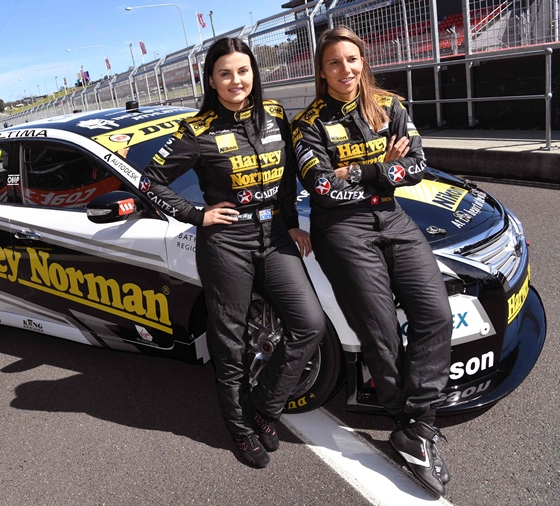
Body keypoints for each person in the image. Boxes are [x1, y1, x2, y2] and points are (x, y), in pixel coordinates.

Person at [141, 37, 326, 468]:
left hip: (276, 235)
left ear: (254, 74)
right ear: (211, 80)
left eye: (243, 71)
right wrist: (196, 214)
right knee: (230, 342)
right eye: (225, 73)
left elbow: (284, 182)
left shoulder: (276, 114)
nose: (236, 80)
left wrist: (293, 224)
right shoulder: (198, 129)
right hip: (227, 243)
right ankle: (239, 428)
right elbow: (151, 181)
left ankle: (263, 406)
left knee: (309, 324)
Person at [290, 26, 453, 496]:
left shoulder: (391, 106)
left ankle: (416, 421)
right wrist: (385, 168)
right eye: (335, 63)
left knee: (435, 314)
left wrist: (360, 170)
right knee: (381, 331)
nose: (346, 70)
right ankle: (410, 426)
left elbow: (418, 166)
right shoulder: (308, 124)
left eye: (352, 60)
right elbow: (322, 187)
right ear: (322, 72)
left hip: (394, 219)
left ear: (364, 61)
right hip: (342, 230)